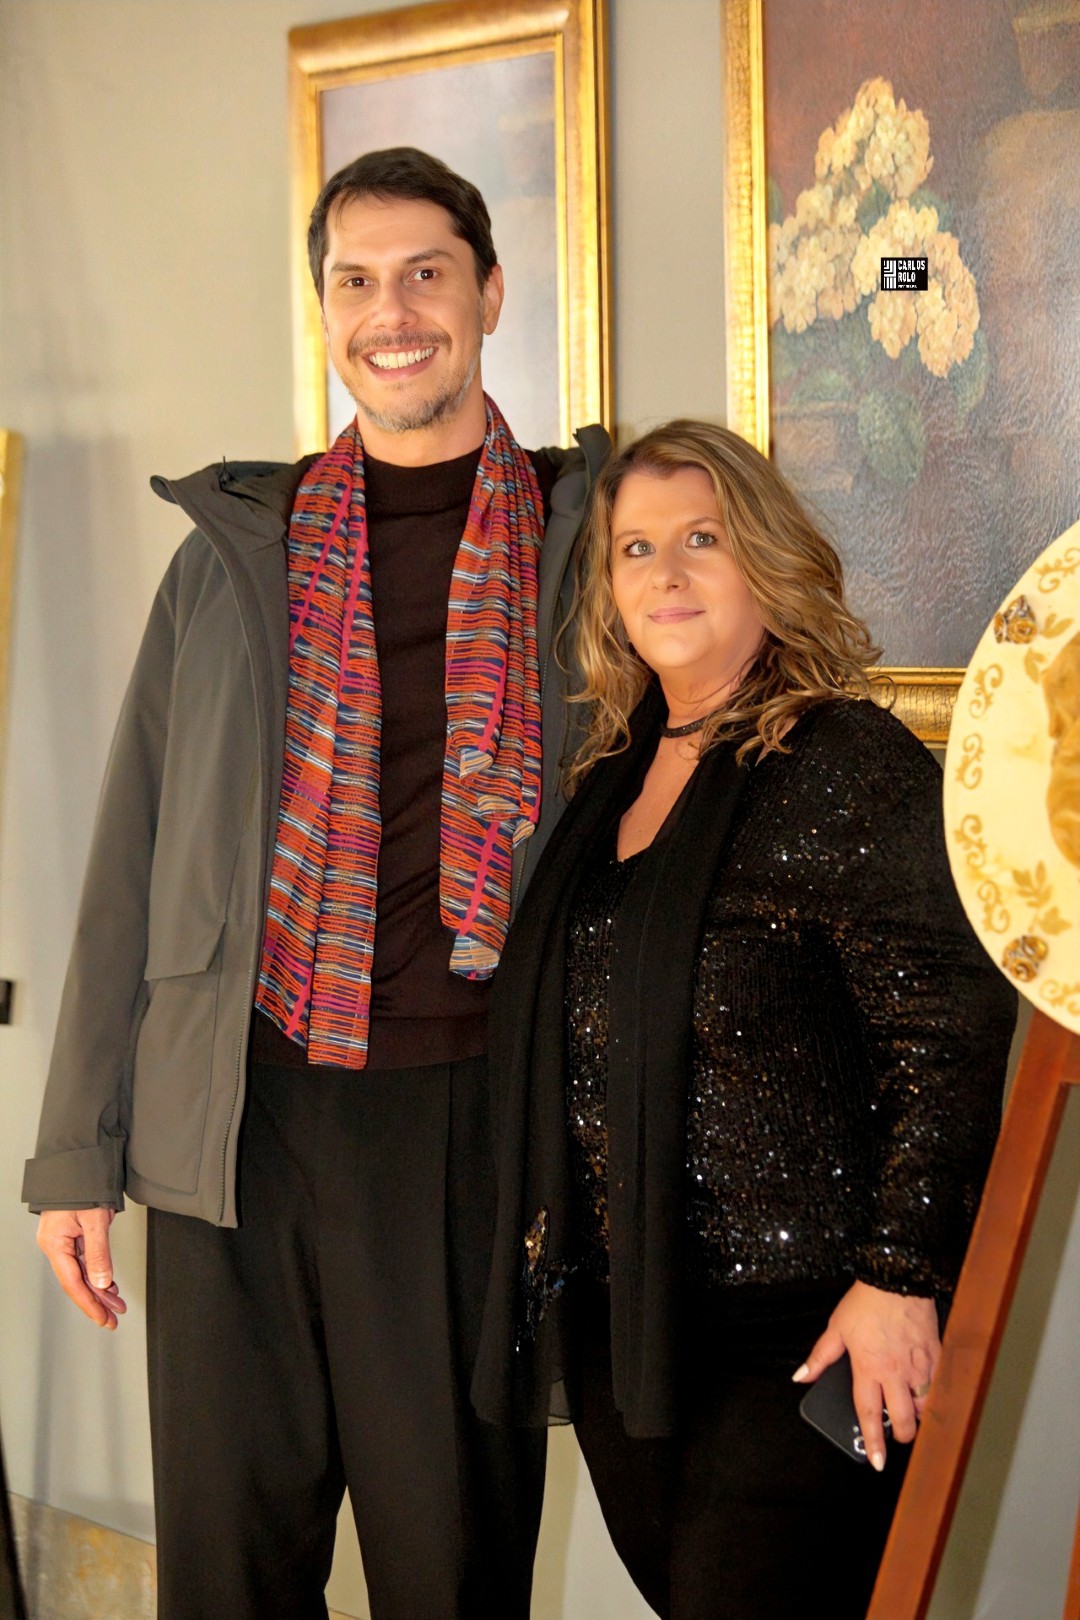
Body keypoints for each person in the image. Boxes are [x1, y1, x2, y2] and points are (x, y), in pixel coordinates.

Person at [23, 147, 609, 1620]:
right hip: (236, 1128)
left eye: (426, 274)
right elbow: (129, 858)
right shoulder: (237, 556)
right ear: (327, 310)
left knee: (449, 1576)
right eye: (357, 281)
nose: (391, 313)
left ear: (489, 294)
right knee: (226, 1577)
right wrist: (77, 1156)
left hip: (465, 1135)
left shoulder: (588, 551)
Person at [472, 419, 1017, 1619]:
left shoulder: (845, 762)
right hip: (628, 1327)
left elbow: (952, 1033)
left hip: (805, 1329)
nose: (665, 573)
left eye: (702, 539)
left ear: (765, 560)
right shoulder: (609, 775)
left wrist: (900, 1278)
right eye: (636, 548)